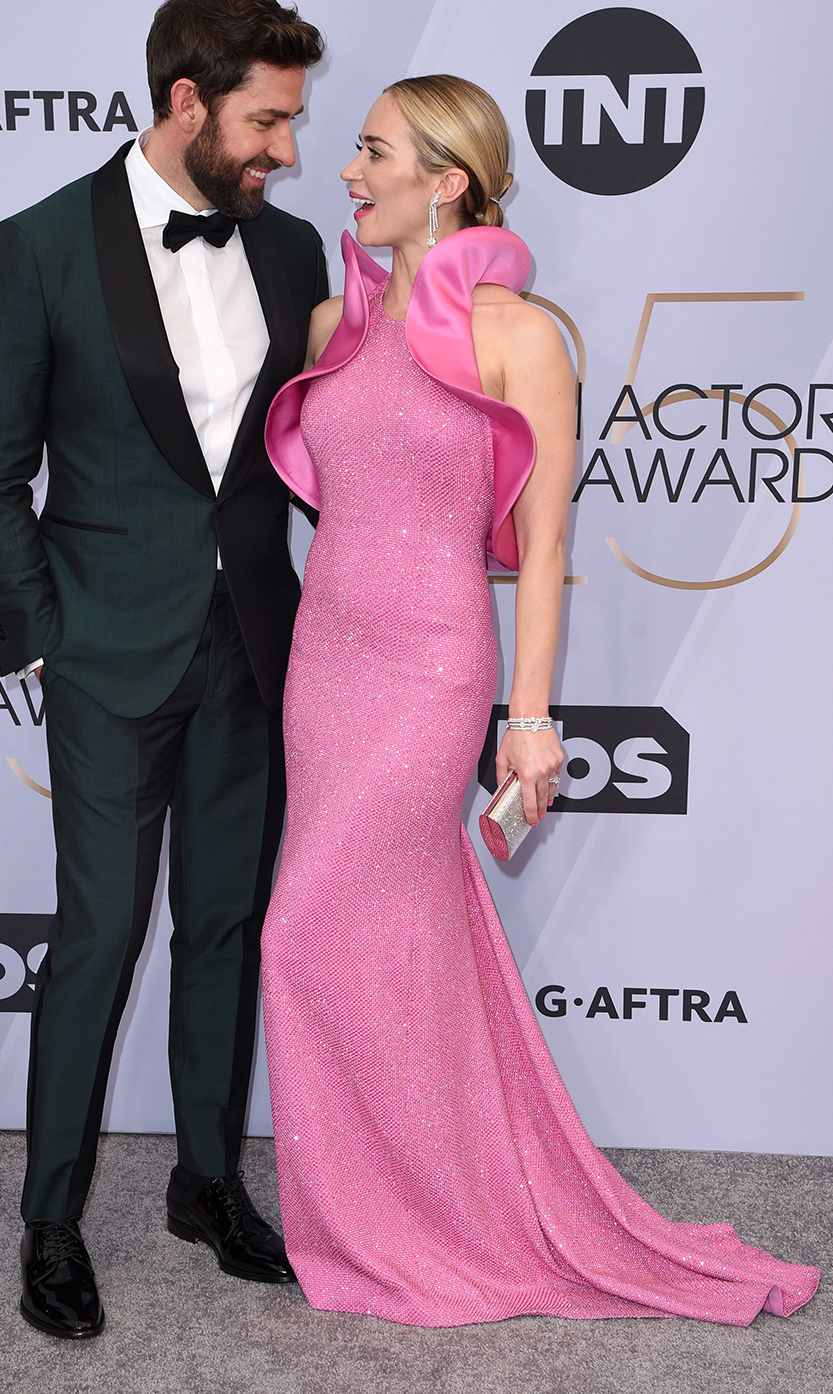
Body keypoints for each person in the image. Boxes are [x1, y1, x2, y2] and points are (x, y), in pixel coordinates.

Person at [260, 74, 819, 1326]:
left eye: (372, 152)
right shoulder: (327, 326)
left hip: (431, 669)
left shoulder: (521, 336)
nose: (346, 171)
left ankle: (427, 1217)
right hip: (326, 666)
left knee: (300, 929)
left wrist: (529, 717)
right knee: (392, 945)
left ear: (447, 179)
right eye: (350, 151)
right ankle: (387, 1214)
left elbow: (546, 548)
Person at [0, 0, 327, 1339]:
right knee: (101, 931)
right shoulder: (39, 245)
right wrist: (42, 637)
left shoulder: (289, 255)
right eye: (271, 120)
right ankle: (51, 1218)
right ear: (190, 101)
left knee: (223, 921)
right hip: (106, 653)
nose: (290, 149)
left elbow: (294, 461)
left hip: (251, 644)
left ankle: (206, 1180)